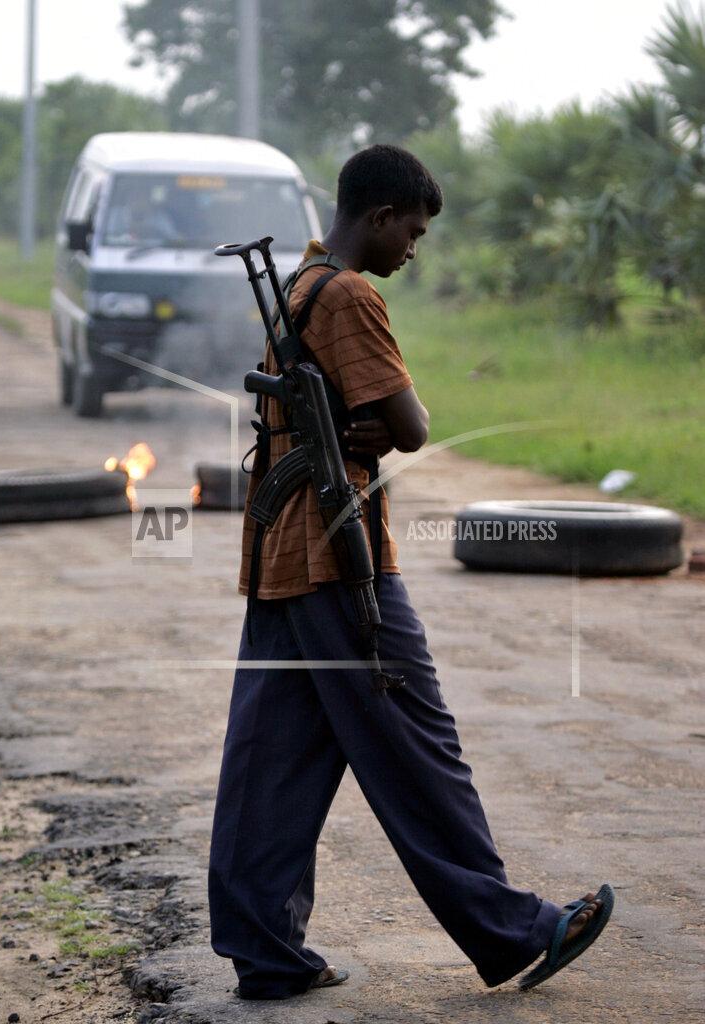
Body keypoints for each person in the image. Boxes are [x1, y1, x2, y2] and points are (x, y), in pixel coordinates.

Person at [208, 144, 613, 1001]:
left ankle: (264, 949)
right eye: (414, 232)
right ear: (381, 214)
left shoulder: (297, 285)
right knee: (417, 748)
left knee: (271, 758)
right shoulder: (350, 293)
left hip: (281, 550)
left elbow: (352, 414)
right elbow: (411, 423)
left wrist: (373, 427)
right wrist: (392, 425)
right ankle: (516, 930)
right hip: (337, 557)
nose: (413, 250)